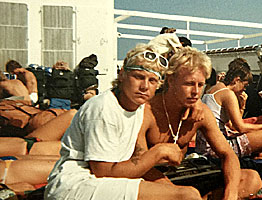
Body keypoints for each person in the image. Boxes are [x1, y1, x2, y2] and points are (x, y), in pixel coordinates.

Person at [44, 43, 203, 200]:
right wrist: (157, 153)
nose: (144, 86)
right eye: (138, 77)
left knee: (174, 191)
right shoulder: (103, 108)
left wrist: (196, 104)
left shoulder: (138, 105)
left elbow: (175, 91)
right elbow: (102, 171)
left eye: (152, 80)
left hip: (102, 182)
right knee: (187, 195)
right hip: (75, 185)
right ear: (122, 75)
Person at [147, 47, 262, 199]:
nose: (196, 92)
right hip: (152, 179)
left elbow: (227, 154)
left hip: (182, 174)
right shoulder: (148, 111)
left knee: (252, 179)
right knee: (187, 195)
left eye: (200, 85)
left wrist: (231, 194)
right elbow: (136, 164)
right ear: (171, 80)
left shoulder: (201, 111)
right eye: (188, 84)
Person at [196, 58, 262, 158]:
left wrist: (242, 106)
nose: (244, 90)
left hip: (204, 145)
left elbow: (231, 125)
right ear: (237, 80)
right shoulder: (228, 94)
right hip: (216, 148)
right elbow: (240, 127)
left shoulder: (214, 88)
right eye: (244, 85)